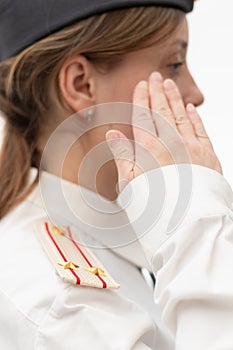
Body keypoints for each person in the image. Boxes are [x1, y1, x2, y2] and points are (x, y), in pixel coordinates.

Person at [0, 0, 232, 349]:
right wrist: (196, 226)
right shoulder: (59, 301)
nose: (195, 94)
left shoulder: (125, 238)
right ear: (81, 85)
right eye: (174, 64)